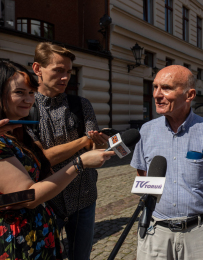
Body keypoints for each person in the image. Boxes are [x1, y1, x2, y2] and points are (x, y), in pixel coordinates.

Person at [0, 60, 115, 259]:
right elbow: (29, 196)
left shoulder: (18, 131)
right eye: (19, 92)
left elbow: (17, 197)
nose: (28, 99)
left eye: (30, 92)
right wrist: (80, 163)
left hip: (39, 234)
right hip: (17, 241)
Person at [131, 65, 203, 260]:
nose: (156, 94)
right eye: (155, 87)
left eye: (166, 88)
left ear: (190, 95)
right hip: (155, 232)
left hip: (199, 236)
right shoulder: (145, 131)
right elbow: (142, 176)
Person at [29, 42, 109, 260]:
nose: (65, 77)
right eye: (58, 70)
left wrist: (99, 144)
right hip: (45, 203)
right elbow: (43, 158)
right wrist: (84, 141)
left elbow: (94, 146)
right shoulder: (27, 108)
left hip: (84, 198)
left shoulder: (81, 104)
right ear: (38, 69)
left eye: (68, 72)